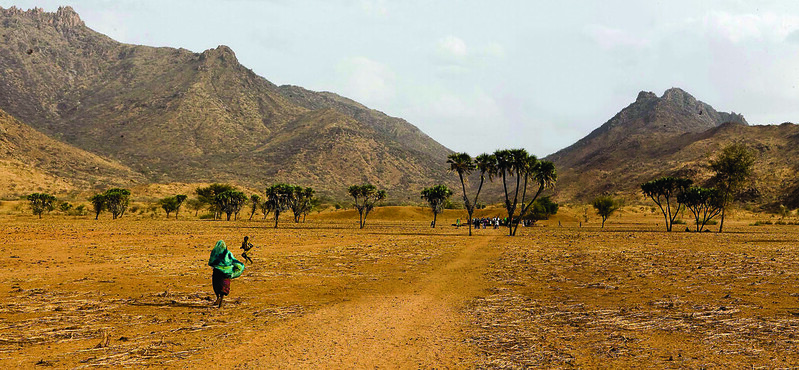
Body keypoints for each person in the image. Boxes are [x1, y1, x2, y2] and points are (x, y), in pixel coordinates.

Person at [208, 240, 245, 308]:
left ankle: (218, 298)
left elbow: (211, 262)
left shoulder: (214, 253)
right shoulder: (227, 253)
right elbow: (232, 260)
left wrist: (218, 266)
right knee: (223, 287)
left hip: (217, 273)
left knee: (216, 286)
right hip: (226, 274)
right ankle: (221, 300)